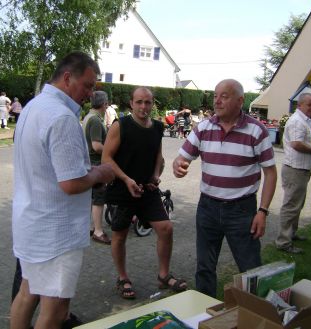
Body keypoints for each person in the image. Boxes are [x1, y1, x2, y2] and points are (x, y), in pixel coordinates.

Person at [10, 51, 115, 329]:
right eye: (88, 85)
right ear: (67, 77)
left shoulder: (34, 106)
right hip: (56, 232)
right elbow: (71, 182)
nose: (91, 94)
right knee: (55, 309)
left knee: (27, 292)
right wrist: (101, 173)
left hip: (32, 223)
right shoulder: (62, 118)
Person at [173, 79, 277, 297]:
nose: (217, 101)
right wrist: (178, 166)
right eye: (215, 95)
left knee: (250, 269)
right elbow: (181, 158)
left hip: (242, 211)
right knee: (204, 268)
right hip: (208, 207)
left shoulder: (256, 131)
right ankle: (204, 313)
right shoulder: (203, 128)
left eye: (224, 96)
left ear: (240, 101)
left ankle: (256, 315)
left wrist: (263, 211)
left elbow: (270, 173)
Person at [102, 87, 187, 299]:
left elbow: (158, 156)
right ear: (131, 103)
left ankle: (164, 275)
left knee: (166, 228)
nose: (143, 107)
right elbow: (106, 158)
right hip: (123, 189)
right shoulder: (120, 126)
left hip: (147, 189)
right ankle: (123, 277)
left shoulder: (157, 127)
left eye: (147, 102)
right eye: (139, 102)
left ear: (152, 104)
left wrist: (155, 176)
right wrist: (126, 179)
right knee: (120, 235)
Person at [275, 93, 311, 254]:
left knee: (297, 204)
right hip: (295, 169)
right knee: (291, 205)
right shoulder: (297, 121)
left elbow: (305, 142)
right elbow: (296, 144)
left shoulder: (305, 121)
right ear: (299, 105)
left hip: (300, 169)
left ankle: (291, 234)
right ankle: (283, 241)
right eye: (309, 104)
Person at [82, 90, 111, 244]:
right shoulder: (95, 120)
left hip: (88, 163)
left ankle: (92, 227)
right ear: (104, 104)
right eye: (107, 104)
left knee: (92, 198)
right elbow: (96, 145)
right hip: (96, 164)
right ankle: (98, 231)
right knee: (98, 199)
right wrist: (111, 151)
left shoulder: (88, 116)